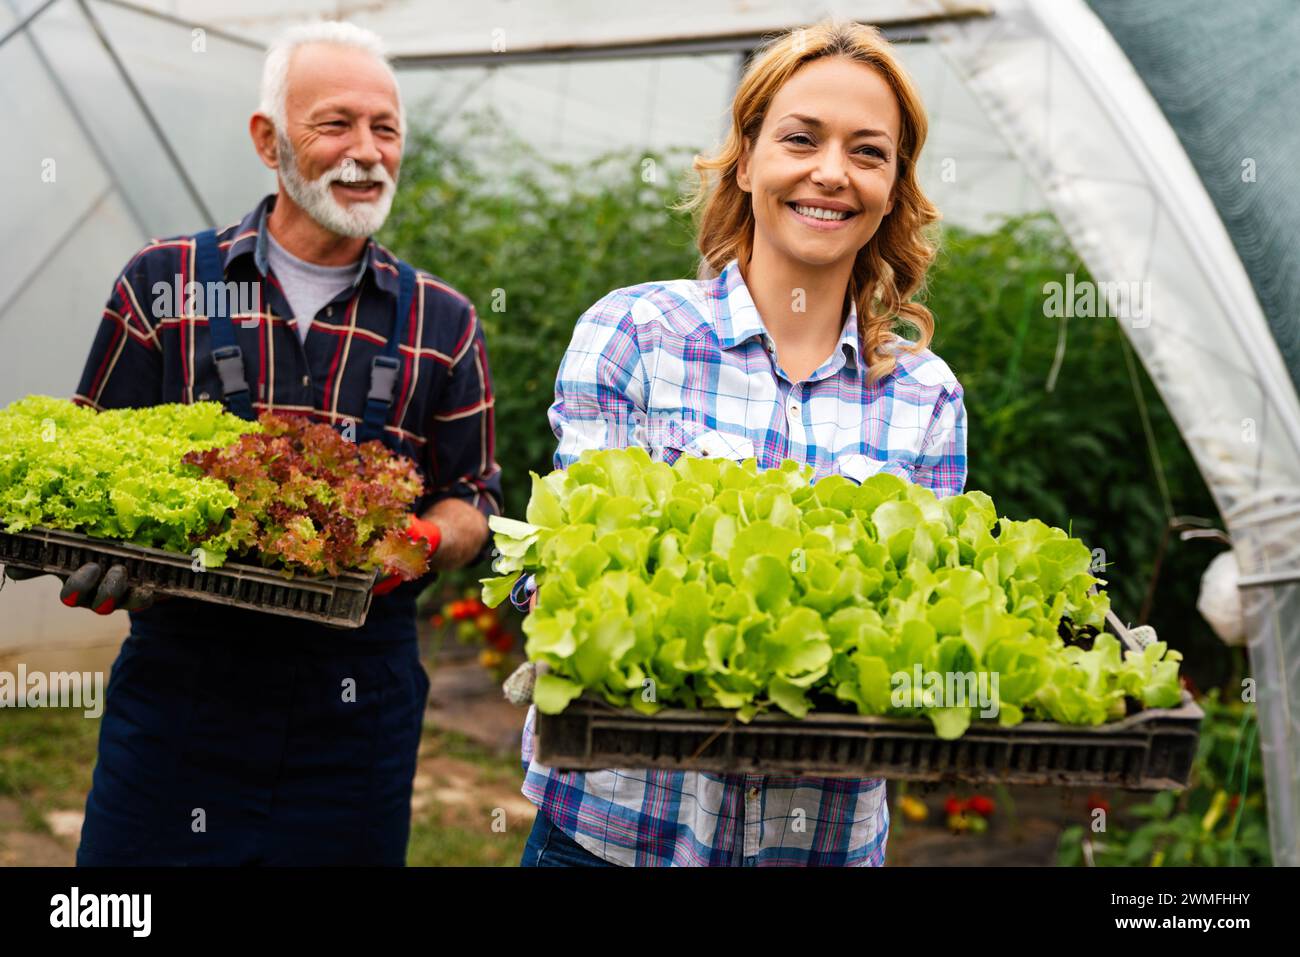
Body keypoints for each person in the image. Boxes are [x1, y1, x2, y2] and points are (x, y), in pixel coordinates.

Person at [2, 21, 502, 866]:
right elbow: (88, 465)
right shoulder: (164, 283)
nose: (367, 150)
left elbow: (474, 500)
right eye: (335, 123)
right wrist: (97, 563)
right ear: (268, 139)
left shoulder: (441, 319)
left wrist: (419, 536)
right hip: (183, 695)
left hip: (357, 709)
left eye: (386, 129)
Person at [514, 19, 966, 867]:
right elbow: (564, 560)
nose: (831, 172)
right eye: (801, 138)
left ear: (893, 188)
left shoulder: (925, 394)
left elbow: (923, 622)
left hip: (820, 846)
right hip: (613, 839)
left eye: (868, 153)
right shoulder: (634, 334)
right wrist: (558, 597)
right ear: (748, 156)